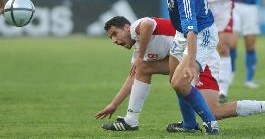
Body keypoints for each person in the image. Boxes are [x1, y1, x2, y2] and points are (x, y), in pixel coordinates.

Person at [95, 16, 265, 133]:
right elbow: (132, 77)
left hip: (201, 58)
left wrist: (140, 55)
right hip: (185, 59)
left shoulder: (136, 29)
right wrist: (114, 104)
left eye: (115, 34)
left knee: (215, 112)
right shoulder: (139, 52)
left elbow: (147, 24)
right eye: (111, 38)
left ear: (126, 27)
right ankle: (131, 120)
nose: (115, 40)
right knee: (143, 69)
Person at [189, 0, 248, 103]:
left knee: (223, 47)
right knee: (201, 46)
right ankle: (197, 83)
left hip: (223, 4)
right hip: (203, 5)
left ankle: (223, 89)